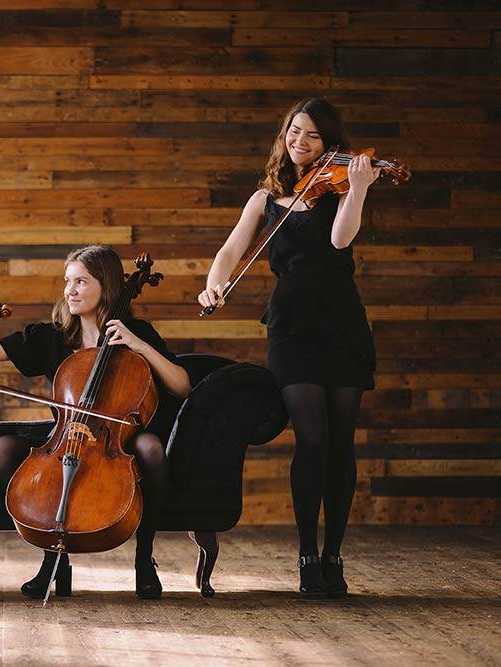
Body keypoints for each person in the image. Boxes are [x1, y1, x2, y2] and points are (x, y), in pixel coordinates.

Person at [197, 98, 379, 599]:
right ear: (285, 134)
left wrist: (358, 189)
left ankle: (333, 554)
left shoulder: (339, 187)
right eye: (295, 131)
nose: (301, 142)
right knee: (312, 440)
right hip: (291, 328)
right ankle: (306, 554)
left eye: (313, 135)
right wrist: (213, 285)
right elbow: (230, 251)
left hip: (342, 325)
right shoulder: (265, 199)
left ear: (330, 144)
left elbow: (340, 241)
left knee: (340, 443)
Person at [0, 245, 191, 599]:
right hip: (67, 435)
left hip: (121, 439)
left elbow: (182, 385)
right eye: (67, 281)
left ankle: (144, 556)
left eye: (81, 282)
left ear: (106, 286)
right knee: (2, 449)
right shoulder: (54, 336)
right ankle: (53, 557)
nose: (70, 291)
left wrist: (139, 345)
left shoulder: (137, 333)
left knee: (152, 448)